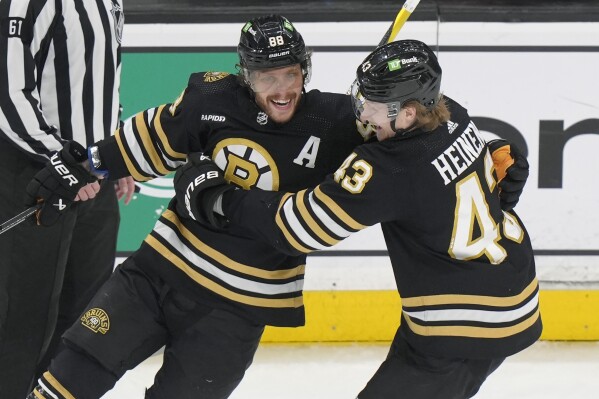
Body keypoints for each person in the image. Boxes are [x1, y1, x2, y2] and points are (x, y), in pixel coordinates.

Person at [26, 15, 526, 399]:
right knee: (71, 371)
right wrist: (87, 165)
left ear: (304, 69)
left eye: (290, 74)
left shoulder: (345, 127)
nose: (281, 89)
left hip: (238, 306)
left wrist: (212, 195)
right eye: (266, 77)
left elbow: (302, 226)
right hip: (155, 273)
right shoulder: (210, 98)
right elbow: (149, 140)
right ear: (245, 74)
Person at [180, 40, 539, 399]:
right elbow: (469, 186)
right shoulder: (453, 115)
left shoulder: (387, 168)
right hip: (503, 291)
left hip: (462, 327)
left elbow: (296, 228)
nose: (365, 114)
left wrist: (219, 198)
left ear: (409, 113)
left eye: (375, 105)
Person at [0, 1, 134, 398]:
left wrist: (116, 150)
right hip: (37, 175)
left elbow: (101, 78)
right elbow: (8, 94)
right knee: (27, 317)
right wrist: (63, 162)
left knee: (83, 318)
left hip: (94, 175)